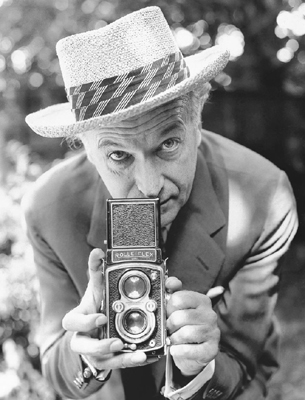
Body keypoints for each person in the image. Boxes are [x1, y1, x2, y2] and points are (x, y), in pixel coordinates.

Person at [23, 6, 298, 400]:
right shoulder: (49, 209)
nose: (149, 186)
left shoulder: (264, 196)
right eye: (119, 156)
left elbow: (249, 367)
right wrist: (84, 356)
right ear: (86, 150)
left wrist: (205, 365)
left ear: (197, 123)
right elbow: (58, 371)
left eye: (168, 144)